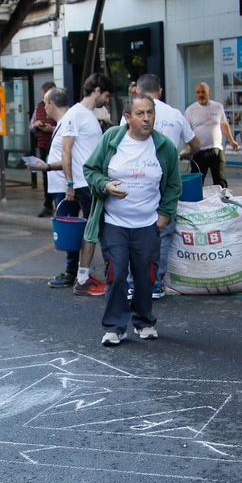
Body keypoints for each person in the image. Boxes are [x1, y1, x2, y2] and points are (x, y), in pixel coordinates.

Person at [81, 93, 182, 346]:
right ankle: (115, 327)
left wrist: (164, 215)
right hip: (114, 223)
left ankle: (144, 321)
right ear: (127, 117)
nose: (147, 118)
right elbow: (90, 170)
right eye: (140, 113)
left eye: (150, 113)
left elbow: (173, 185)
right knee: (116, 274)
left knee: (146, 275)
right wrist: (105, 185)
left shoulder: (164, 146)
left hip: (148, 224)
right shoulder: (112, 139)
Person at [26, 75, 111, 292]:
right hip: (84, 183)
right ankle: (85, 278)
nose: (107, 100)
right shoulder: (77, 114)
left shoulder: (85, 115)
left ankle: (85, 276)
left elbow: (83, 152)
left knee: (94, 230)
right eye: (107, 95)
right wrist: (70, 184)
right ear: (98, 90)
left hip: (90, 182)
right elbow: (66, 150)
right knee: (96, 231)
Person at [133, 74, 195, 298]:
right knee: (164, 232)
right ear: (160, 91)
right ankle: (157, 283)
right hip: (167, 179)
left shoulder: (132, 114)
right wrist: (185, 152)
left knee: (136, 229)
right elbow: (194, 143)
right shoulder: (175, 114)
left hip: (138, 179)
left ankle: (134, 282)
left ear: (138, 91)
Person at [183, 82, 242, 188]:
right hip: (198, 153)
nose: (201, 95)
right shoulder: (190, 110)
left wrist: (232, 140)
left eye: (203, 92)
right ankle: (195, 203)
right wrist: (188, 148)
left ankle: (222, 202)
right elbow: (186, 130)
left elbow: (224, 125)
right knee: (196, 182)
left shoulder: (218, 107)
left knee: (220, 180)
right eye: (198, 92)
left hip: (216, 150)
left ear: (209, 92)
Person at [31, 81, 57, 216]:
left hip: (55, 145)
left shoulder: (61, 108)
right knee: (46, 176)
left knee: (57, 174)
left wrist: (51, 129)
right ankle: (48, 205)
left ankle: (58, 202)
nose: (44, 101)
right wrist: (36, 125)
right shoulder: (39, 107)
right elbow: (30, 126)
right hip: (43, 145)